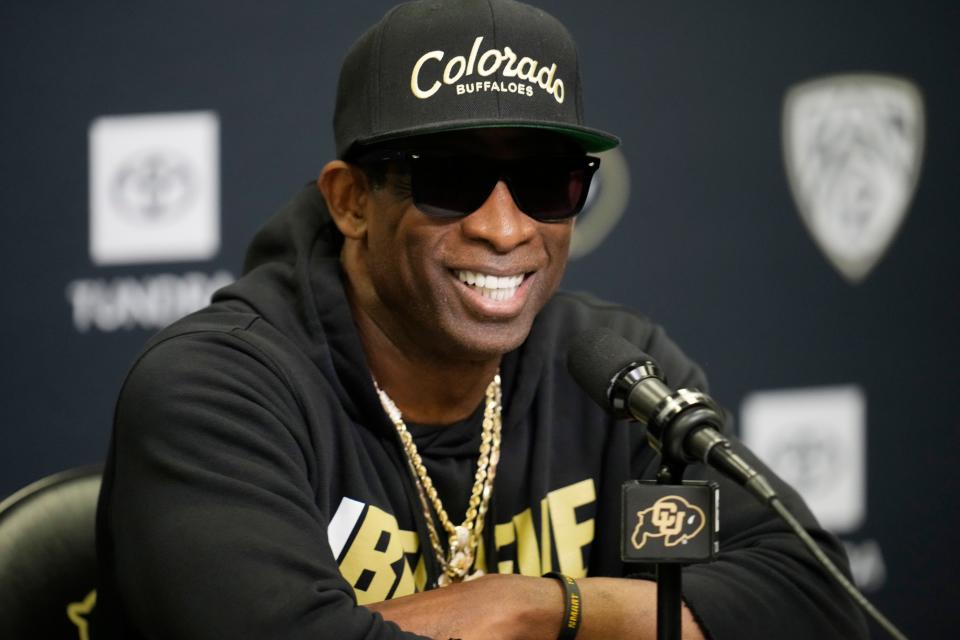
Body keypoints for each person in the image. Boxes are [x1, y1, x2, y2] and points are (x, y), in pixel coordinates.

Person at [95, 1, 869, 638]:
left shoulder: (613, 377)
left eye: (545, 182)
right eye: (454, 179)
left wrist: (532, 606)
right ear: (351, 201)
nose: (505, 228)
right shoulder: (219, 394)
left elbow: (808, 600)